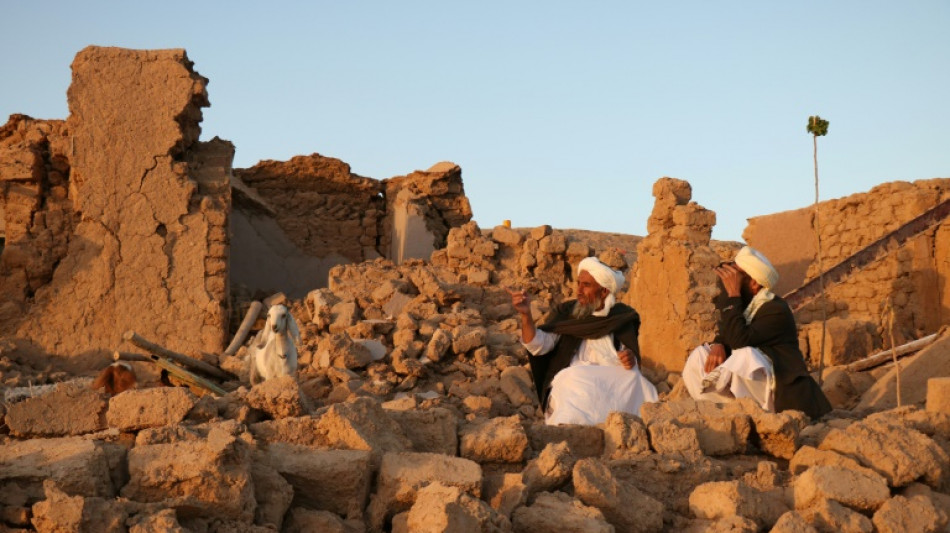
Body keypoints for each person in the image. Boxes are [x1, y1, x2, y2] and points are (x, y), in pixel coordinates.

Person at [682, 246, 832, 419]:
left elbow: (740, 340)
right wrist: (718, 344)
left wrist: (733, 294)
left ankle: (757, 417)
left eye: (737, 275)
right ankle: (725, 413)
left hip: (780, 392)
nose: (731, 280)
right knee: (700, 355)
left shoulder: (776, 309)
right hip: (753, 387)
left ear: (754, 283)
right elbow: (729, 329)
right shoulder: (745, 303)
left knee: (745, 357)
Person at [509, 256, 658, 425]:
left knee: (636, 379)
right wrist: (525, 314)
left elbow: (629, 356)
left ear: (604, 291)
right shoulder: (567, 313)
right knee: (574, 377)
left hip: (608, 380)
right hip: (576, 381)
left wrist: (630, 359)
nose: (579, 290)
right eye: (578, 283)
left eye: (586, 285)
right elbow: (537, 346)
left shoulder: (620, 317)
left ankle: (625, 424)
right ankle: (572, 426)